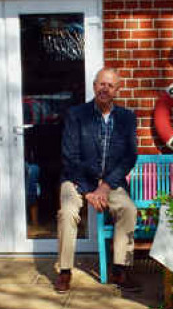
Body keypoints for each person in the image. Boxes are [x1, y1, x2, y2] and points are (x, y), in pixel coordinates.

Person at [55, 67, 139, 293]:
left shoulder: (126, 118)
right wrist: (89, 190)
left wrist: (105, 185)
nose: (105, 89)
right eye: (101, 84)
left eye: (110, 85)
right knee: (68, 213)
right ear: (94, 86)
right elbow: (69, 156)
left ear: (117, 91)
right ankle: (64, 271)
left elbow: (129, 157)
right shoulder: (76, 115)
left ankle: (120, 269)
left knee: (128, 209)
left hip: (110, 182)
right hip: (76, 179)